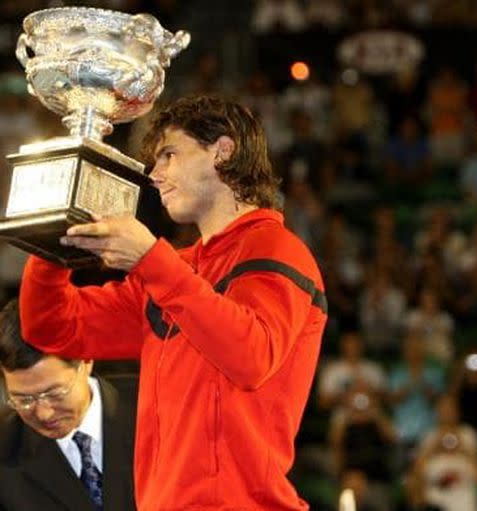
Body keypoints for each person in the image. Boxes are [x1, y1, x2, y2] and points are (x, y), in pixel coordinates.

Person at [18, 95, 328, 510]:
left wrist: (151, 260)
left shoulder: (276, 248)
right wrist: (55, 239)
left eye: (169, 154)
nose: (155, 175)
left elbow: (250, 356)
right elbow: (52, 328)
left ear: (222, 151)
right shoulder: (173, 270)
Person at [0, 299, 137, 511]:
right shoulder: (5, 446)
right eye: (23, 400)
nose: (44, 414)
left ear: (86, 360)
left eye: (55, 393)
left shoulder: (158, 409)